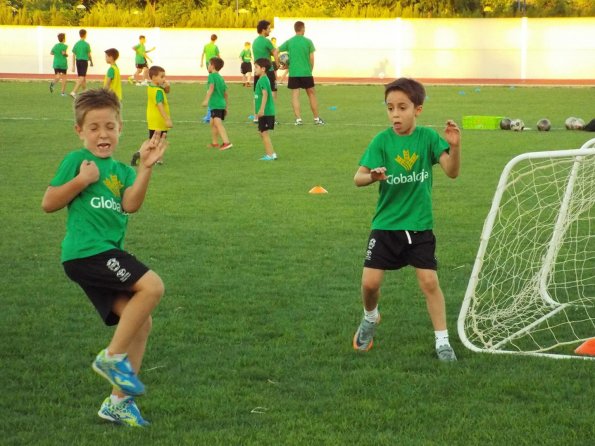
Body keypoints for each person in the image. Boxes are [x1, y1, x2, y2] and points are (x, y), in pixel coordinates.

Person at [41, 88, 168, 427]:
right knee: (153, 287)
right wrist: (81, 180)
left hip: (104, 254)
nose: (103, 134)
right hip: (88, 252)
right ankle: (111, 357)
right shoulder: (76, 162)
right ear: (79, 131)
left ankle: (118, 403)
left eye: (110, 126)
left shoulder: (121, 171)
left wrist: (145, 168)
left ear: (121, 128)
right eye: (94, 127)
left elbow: (131, 205)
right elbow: (49, 202)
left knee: (142, 321)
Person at [352, 77, 461, 362]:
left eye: (402, 107)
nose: (395, 114)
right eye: (390, 108)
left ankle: (443, 342)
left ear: (418, 109)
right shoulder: (382, 141)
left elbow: (451, 171)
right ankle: (370, 317)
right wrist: (372, 176)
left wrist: (454, 147)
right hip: (385, 226)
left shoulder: (427, 138)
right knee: (370, 284)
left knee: (429, 282)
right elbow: (357, 178)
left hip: (419, 225)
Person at [279, 21, 324, 126]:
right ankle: (316, 119)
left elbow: (276, 50)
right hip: (306, 72)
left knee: (295, 95)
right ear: (303, 29)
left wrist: (280, 64)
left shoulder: (289, 42)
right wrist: (310, 70)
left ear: (295, 29)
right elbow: (312, 58)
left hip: (294, 73)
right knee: (311, 94)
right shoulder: (308, 42)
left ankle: (298, 119)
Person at [131, 65, 172, 166]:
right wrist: (167, 119)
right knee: (159, 139)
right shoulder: (158, 91)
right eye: (161, 77)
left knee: (152, 139)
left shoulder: (152, 87)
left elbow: (166, 91)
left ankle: (139, 152)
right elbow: (159, 105)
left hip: (152, 118)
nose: (164, 79)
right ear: (154, 77)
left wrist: (167, 86)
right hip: (159, 119)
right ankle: (158, 158)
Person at [201, 57, 232, 150]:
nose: (208, 66)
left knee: (217, 123)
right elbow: (226, 93)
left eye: (209, 64)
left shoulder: (211, 76)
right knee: (212, 123)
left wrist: (206, 100)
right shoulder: (220, 78)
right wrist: (226, 107)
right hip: (221, 104)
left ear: (213, 66)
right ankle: (215, 143)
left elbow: (211, 88)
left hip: (216, 104)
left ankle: (226, 142)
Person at [253, 58, 277, 161]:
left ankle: (270, 155)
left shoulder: (263, 79)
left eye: (256, 67)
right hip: (265, 112)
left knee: (264, 133)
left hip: (266, 112)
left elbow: (265, 94)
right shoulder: (263, 79)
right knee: (262, 132)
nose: (255, 69)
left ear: (263, 69)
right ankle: (272, 153)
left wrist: (261, 110)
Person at [252, 20, 278, 101]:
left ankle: (258, 111)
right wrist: (277, 64)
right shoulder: (267, 41)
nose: (270, 30)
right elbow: (275, 52)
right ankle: (270, 110)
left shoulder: (255, 42)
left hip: (257, 72)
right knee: (273, 90)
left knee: (258, 93)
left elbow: (264, 53)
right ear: (264, 30)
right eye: (269, 28)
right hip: (268, 71)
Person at [200, 34, 220, 123]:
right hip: (214, 65)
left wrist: (201, 62)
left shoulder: (206, 46)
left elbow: (202, 54)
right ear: (215, 39)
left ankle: (209, 116)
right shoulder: (215, 47)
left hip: (211, 65)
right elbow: (219, 56)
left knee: (211, 89)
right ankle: (209, 115)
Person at [70, 29, 93, 99]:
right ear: (85, 35)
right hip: (83, 62)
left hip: (78, 61)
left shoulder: (76, 44)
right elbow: (89, 55)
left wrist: (73, 65)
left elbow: (73, 54)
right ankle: (73, 92)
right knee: (82, 77)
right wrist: (91, 62)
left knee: (83, 77)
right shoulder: (86, 44)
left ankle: (85, 93)